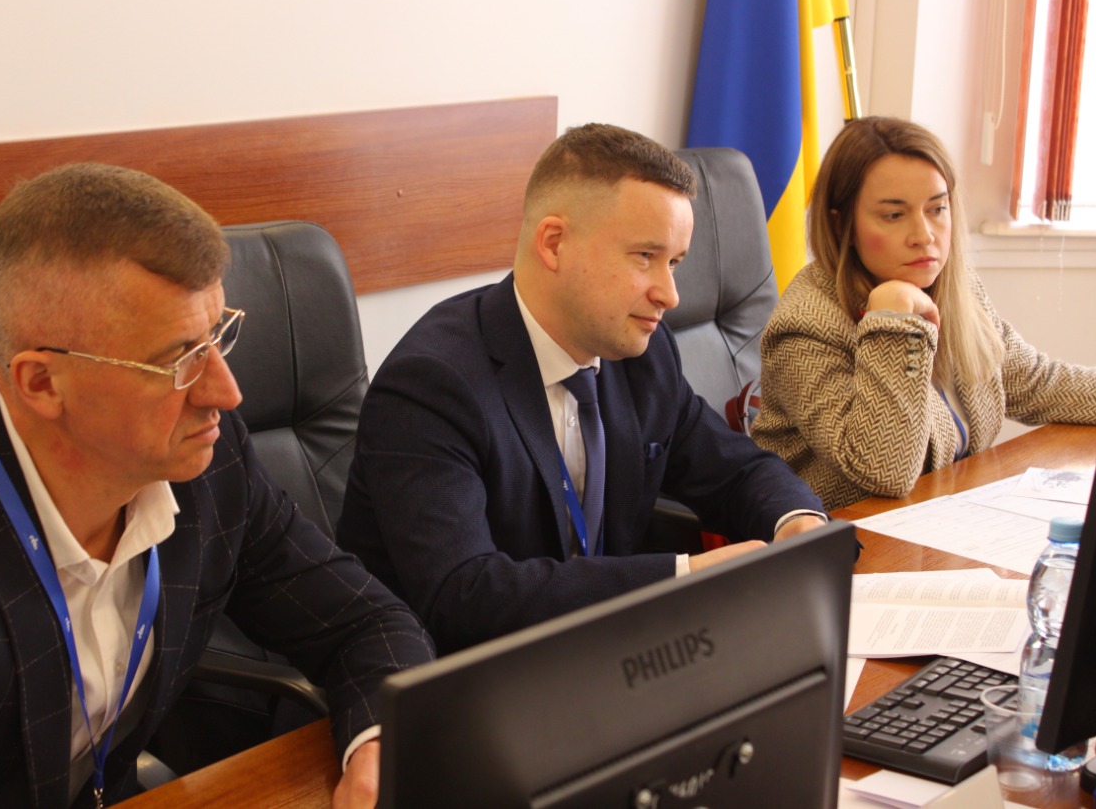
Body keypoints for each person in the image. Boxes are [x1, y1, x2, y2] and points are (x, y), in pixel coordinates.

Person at [0, 163, 434, 808]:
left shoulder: (210, 461)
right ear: (42, 383)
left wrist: (377, 748)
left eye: (216, 338)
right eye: (178, 361)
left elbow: (364, 621)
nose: (226, 393)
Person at [336, 123, 827, 654]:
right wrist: (681, 581)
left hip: (610, 657)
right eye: (645, 256)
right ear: (554, 244)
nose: (670, 295)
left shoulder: (644, 355)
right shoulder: (432, 384)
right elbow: (465, 595)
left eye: (674, 262)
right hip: (466, 675)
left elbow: (735, 469)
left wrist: (795, 521)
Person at [750, 116, 1096, 511]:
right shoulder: (806, 325)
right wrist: (893, 323)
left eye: (937, 209)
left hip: (943, 522)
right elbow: (884, 472)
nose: (924, 235)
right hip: (848, 542)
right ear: (840, 224)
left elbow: (1039, 384)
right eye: (894, 215)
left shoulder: (955, 287)